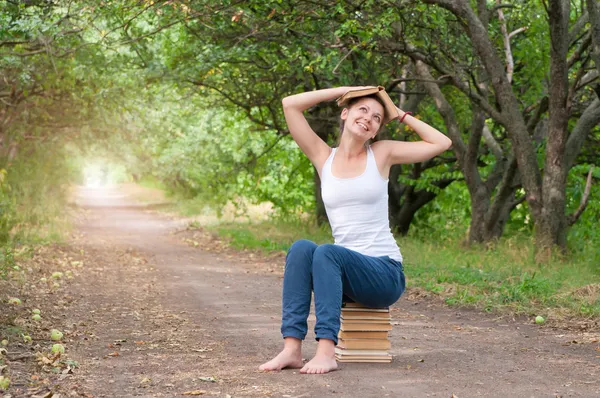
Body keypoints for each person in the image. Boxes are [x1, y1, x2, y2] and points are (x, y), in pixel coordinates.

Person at [258, 86, 452, 374]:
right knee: (301, 248)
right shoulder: (324, 157)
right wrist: (346, 90)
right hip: (343, 274)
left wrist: (399, 115)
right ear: (345, 113)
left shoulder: (382, 153)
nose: (369, 118)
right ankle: (292, 349)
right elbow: (289, 104)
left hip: (384, 273)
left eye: (376, 117)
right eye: (362, 110)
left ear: (375, 131)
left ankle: (326, 352)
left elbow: (441, 142)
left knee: (327, 252)